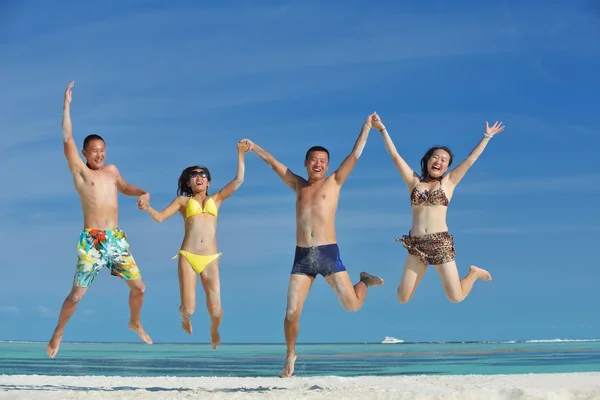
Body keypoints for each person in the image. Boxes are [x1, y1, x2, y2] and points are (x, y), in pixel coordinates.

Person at [246, 113, 384, 378]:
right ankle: (290, 356)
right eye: (314, 160)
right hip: (302, 258)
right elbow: (274, 164)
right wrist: (254, 148)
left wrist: (367, 126)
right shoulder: (298, 185)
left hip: (328, 254)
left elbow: (355, 154)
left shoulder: (334, 182)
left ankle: (364, 280)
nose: (318, 164)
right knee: (290, 313)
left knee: (352, 306)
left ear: (328, 165)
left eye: (323, 161)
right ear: (306, 163)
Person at [46, 82, 152, 358]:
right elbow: (67, 137)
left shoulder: (111, 170)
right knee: (77, 296)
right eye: (94, 149)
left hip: (115, 238)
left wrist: (143, 193)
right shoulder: (81, 172)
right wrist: (66, 105)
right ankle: (58, 332)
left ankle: (134, 321)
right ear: (84, 153)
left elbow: (126, 187)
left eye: (102, 149)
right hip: (92, 240)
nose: (99, 153)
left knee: (140, 288)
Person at [373, 113, 503, 304]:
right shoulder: (413, 182)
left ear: (446, 167)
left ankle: (473, 273)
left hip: (440, 243)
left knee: (456, 297)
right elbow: (394, 156)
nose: (439, 162)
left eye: (444, 160)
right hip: (416, 245)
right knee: (402, 298)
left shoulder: (448, 183)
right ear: (427, 160)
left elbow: (470, 160)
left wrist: (487, 136)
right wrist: (382, 129)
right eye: (436, 157)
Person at [138, 140, 251, 349]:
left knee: (216, 310)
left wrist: (240, 154)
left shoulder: (216, 199)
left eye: (203, 175)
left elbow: (239, 180)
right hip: (188, 257)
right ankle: (185, 320)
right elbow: (161, 217)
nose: (199, 177)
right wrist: (147, 208)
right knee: (189, 309)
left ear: (208, 182)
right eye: (194, 175)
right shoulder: (182, 201)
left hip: (210, 258)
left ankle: (214, 330)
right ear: (188, 182)